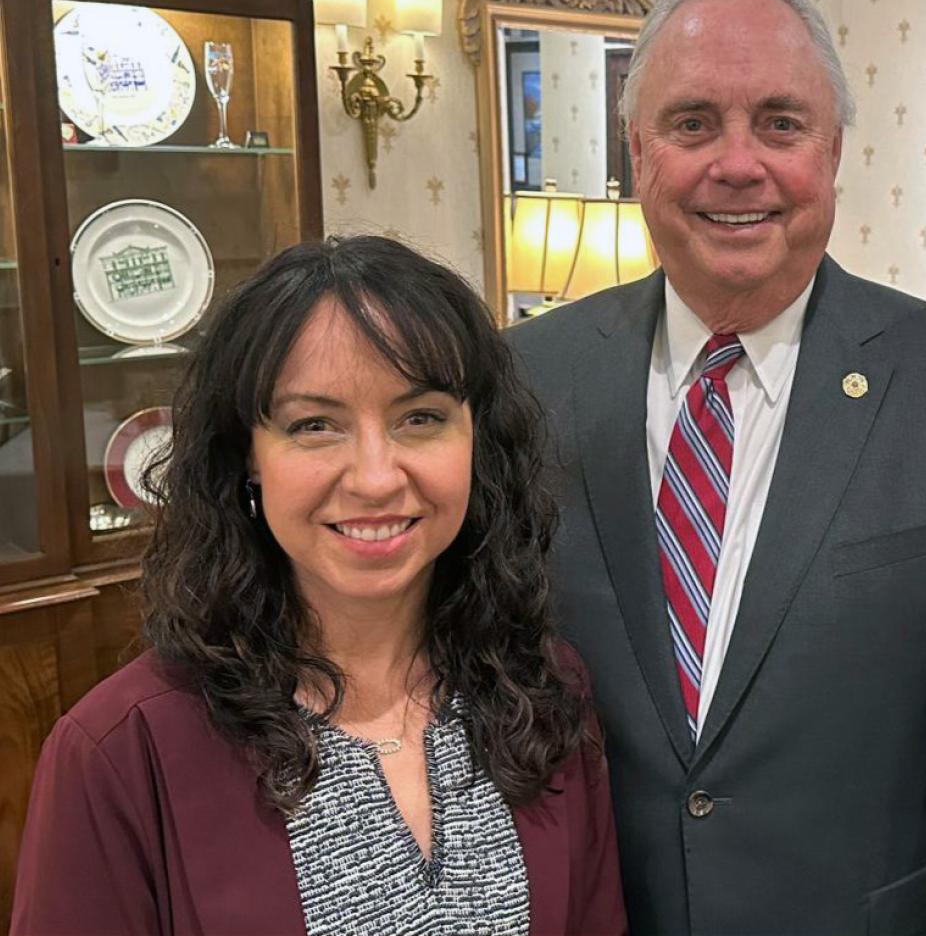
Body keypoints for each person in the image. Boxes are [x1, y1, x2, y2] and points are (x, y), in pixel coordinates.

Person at [508, 0, 926, 936]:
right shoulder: (519, 379)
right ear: (637, 150)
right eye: (692, 123)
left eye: (780, 123)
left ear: (833, 151)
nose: (738, 164)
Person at [11, 236, 626, 936]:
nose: (374, 477)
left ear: (477, 440)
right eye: (314, 425)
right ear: (246, 457)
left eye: (419, 418)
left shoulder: (542, 693)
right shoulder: (121, 749)